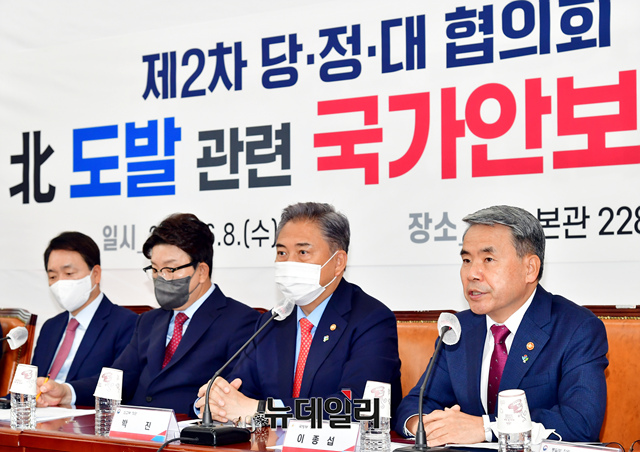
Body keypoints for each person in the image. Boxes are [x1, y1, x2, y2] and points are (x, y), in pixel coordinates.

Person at [395, 205, 608, 444]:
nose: (472, 273)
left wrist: (486, 428)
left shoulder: (577, 329)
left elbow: (580, 423)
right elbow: (416, 405)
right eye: (466, 260)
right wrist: (426, 427)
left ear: (530, 269)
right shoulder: (459, 329)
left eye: (488, 259)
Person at [196, 202, 402, 425]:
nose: (289, 262)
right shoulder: (272, 322)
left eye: (303, 252)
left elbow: (360, 407)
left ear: (338, 262)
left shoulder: (371, 320)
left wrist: (263, 411)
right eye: (282, 253)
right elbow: (238, 392)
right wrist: (216, 401)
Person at [36, 213, 260, 415]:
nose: (161, 278)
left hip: (189, 435)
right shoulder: (149, 321)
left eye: (170, 269)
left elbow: (235, 395)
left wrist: (201, 412)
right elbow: (118, 380)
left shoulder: (240, 321)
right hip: (134, 435)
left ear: (201, 271)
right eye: (154, 269)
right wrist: (66, 392)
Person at [31, 232, 137, 384]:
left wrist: (67, 392)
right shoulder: (50, 326)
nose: (60, 283)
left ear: (96, 274)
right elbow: (30, 385)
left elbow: (120, 384)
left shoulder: (126, 324)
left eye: (69, 273)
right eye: (53, 276)